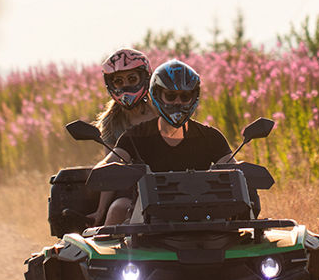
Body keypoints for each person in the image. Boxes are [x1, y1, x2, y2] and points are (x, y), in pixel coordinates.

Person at [98, 59, 232, 226]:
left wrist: (244, 170)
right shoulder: (134, 136)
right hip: (146, 220)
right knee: (118, 208)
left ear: (194, 97)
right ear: (157, 95)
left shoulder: (211, 137)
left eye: (185, 96)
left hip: (205, 218)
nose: (178, 102)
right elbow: (109, 163)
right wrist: (109, 169)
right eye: (170, 96)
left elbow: (233, 168)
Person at [94, 48, 155, 146]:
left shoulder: (161, 114)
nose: (126, 86)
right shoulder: (110, 121)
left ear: (144, 78)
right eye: (119, 82)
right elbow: (110, 158)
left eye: (132, 79)